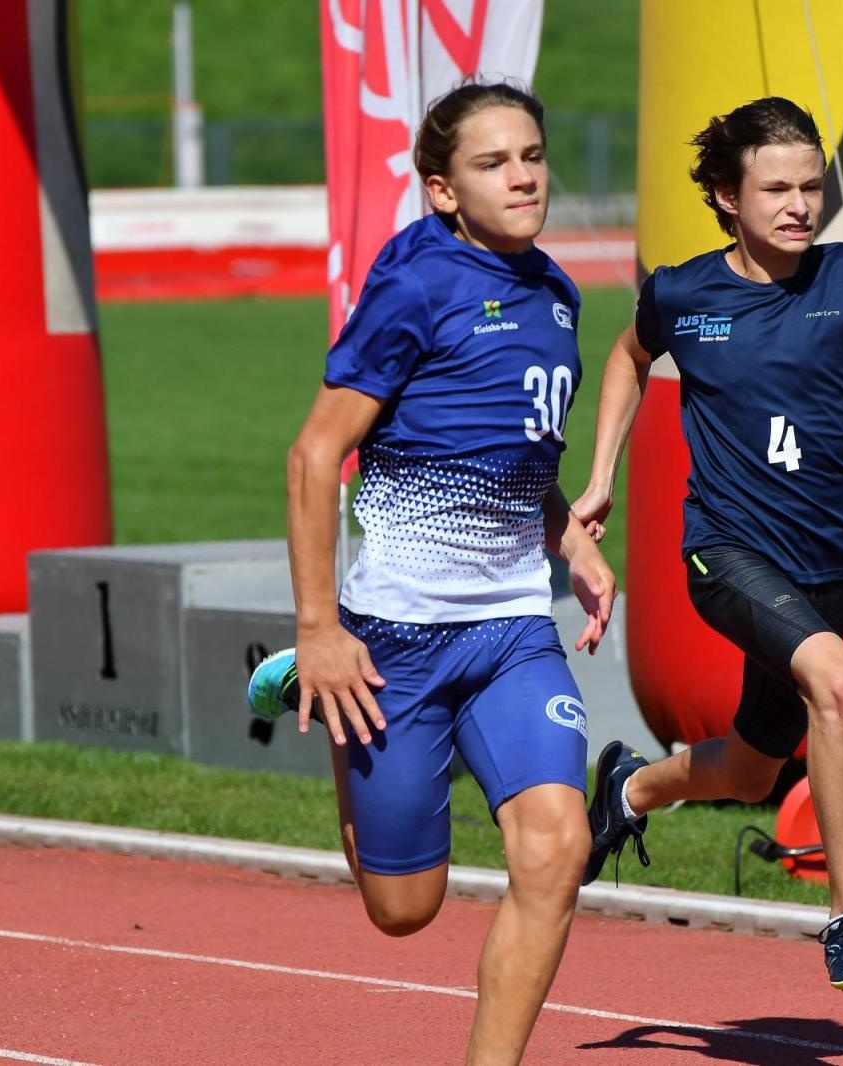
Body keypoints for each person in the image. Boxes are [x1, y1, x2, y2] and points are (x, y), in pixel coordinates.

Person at [247, 80, 615, 1064]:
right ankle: (319, 697)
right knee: (403, 909)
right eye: (494, 162)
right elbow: (311, 456)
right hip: (392, 639)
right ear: (443, 189)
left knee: (558, 844)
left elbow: (514, 449)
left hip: (508, 632)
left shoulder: (557, 293)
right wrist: (321, 631)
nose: (524, 175)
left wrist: (567, 539)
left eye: (532, 154)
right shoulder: (412, 287)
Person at [571, 96, 843, 991]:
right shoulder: (684, 292)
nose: (799, 205)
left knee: (754, 770)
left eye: (811, 187)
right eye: (776, 188)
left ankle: (627, 792)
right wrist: (600, 477)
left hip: (832, 567)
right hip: (727, 553)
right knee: (840, 684)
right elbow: (630, 356)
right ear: (725, 194)